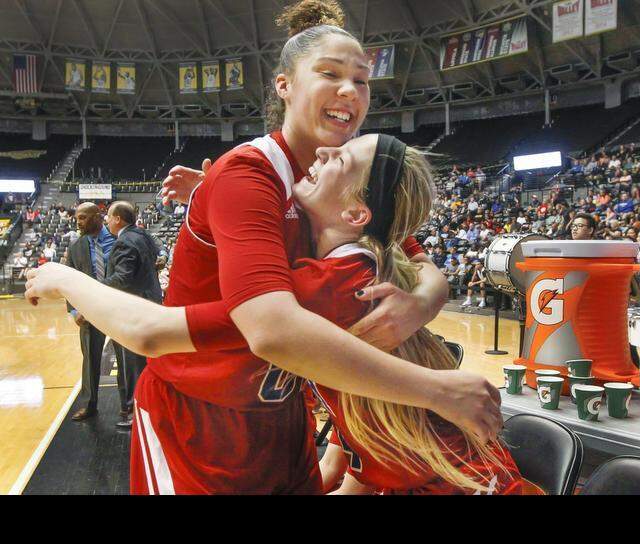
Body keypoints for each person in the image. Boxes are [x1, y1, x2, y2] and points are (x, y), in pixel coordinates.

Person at [94, 0, 498, 494]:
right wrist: (437, 389)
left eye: (363, 79)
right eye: (330, 73)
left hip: (283, 407)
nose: (350, 89)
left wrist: (419, 303)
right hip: (200, 418)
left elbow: (414, 257)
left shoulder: (339, 184)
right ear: (283, 85)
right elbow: (266, 327)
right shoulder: (254, 175)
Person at [27, 133, 529, 495]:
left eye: (343, 159)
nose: (326, 151)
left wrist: (61, 277)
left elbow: (148, 332)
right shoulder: (360, 258)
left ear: (356, 215)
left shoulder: (326, 289)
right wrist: (216, 192)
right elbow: (358, 435)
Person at [103, 201, 163, 430]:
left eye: (108, 216)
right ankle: (147, 407)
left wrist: (94, 286)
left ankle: (134, 412)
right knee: (147, 362)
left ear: (118, 218)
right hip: (151, 303)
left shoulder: (124, 241)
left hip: (133, 310)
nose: (107, 221)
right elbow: (157, 258)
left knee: (132, 364)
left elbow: (122, 279)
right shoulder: (143, 235)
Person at [63, 203, 123, 422]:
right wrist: (75, 310)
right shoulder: (77, 247)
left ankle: (127, 405)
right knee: (90, 359)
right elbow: (68, 282)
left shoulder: (119, 240)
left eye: (83, 218)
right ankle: (89, 405)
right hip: (89, 311)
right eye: (77, 218)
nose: (78, 222)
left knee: (125, 358)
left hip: (118, 309)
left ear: (98, 216)